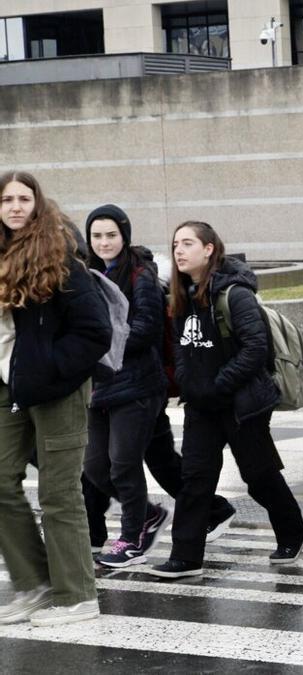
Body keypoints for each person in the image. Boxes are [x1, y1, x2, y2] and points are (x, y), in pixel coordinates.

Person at [149, 221, 303, 579]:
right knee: (195, 479)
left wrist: (218, 383)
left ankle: (292, 531)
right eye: (175, 244)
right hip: (202, 406)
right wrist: (190, 383)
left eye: (188, 243)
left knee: (259, 475)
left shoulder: (235, 294)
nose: (179, 250)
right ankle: (186, 556)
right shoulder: (181, 295)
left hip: (242, 404)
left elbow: (256, 349)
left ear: (209, 249)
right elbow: (180, 346)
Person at [0, 171, 111, 626]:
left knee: (58, 493)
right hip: (10, 387)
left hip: (58, 390)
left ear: (37, 204)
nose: (14, 206)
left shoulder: (59, 256)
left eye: (24, 198)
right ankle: (36, 584)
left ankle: (77, 595)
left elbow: (94, 331)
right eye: (6, 199)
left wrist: (51, 370)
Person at [81, 204, 172, 569]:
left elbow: (146, 329)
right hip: (99, 386)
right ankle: (148, 515)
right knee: (95, 468)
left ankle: (132, 536)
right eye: (97, 236)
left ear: (125, 236)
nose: (104, 242)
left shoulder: (140, 275)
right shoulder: (85, 274)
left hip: (137, 386)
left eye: (111, 235)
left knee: (123, 464)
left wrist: (97, 344)